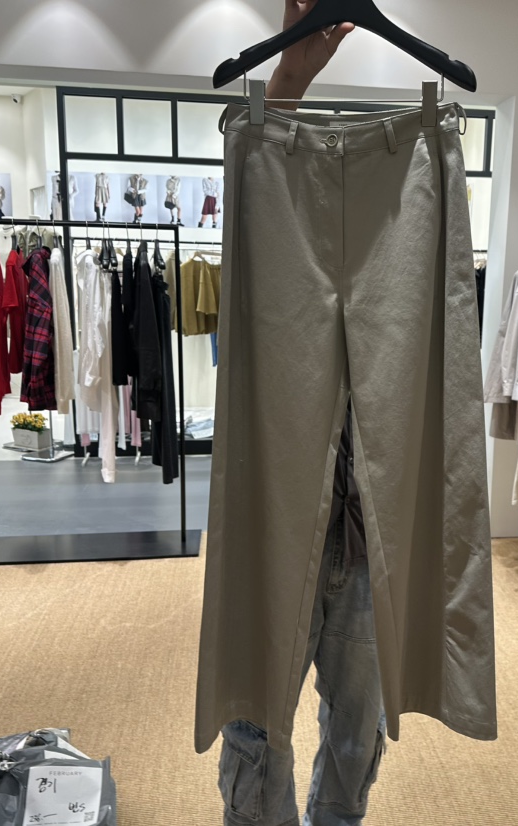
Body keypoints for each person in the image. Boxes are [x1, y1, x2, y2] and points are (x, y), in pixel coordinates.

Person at [212, 5, 384, 826]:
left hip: (367, 527)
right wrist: (289, 78)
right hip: (277, 527)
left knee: (357, 734)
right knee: (257, 719)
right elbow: (255, 184)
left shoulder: (396, 273)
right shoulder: (274, 269)